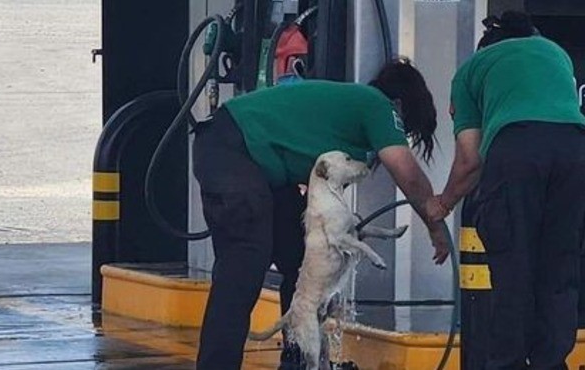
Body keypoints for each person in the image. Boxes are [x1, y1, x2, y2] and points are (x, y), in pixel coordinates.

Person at [193, 58, 451, 370]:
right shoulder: (379, 105)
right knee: (243, 268)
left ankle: (299, 361)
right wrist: (434, 224)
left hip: (257, 162)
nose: (400, 135)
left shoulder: (352, 107)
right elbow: (406, 171)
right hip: (235, 151)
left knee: (302, 261)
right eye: (405, 128)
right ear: (399, 104)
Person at [431, 11, 585, 369]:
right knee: (559, 269)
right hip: (576, 151)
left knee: (513, 269)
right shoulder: (554, 52)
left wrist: (442, 204)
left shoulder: (472, 70)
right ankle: (550, 363)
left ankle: (508, 364)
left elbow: (469, 161)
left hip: (516, 152)